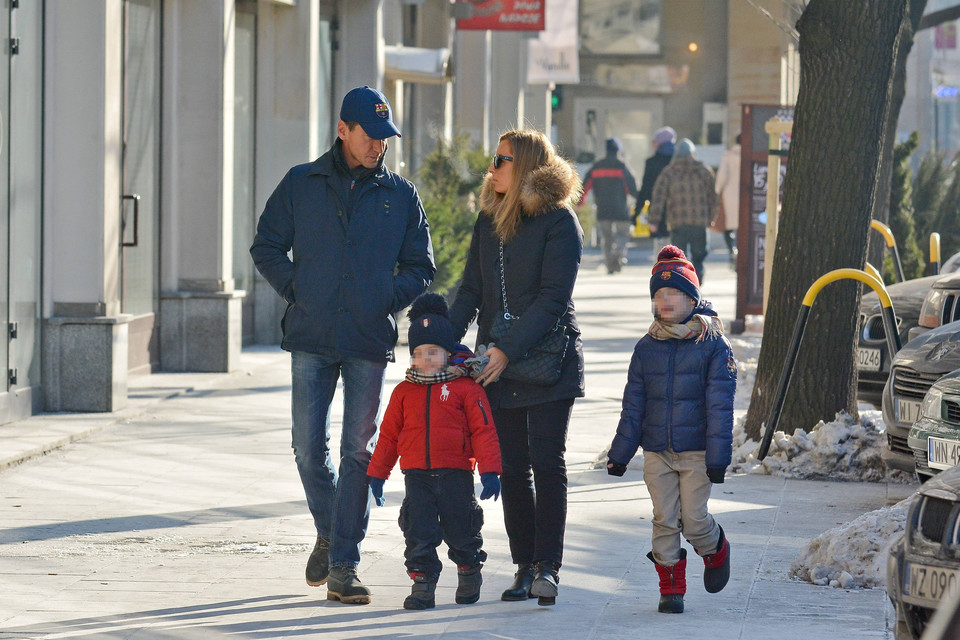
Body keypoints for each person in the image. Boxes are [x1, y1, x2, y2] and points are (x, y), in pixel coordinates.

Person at [250, 85, 435, 605]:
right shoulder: (301, 183)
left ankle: (344, 565)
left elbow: (421, 266)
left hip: (367, 339)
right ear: (342, 131)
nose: (380, 145)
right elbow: (265, 245)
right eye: (371, 136)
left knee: (359, 450)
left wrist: (384, 299)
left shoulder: (399, 195)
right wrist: (297, 290)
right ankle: (330, 532)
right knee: (308, 448)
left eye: (386, 137)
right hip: (310, 335)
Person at [448, 128, 584, 606]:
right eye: (493, 157)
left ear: (524, 165)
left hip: (549, 362)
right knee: (510, 467)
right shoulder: (488, 220)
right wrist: (442, 339)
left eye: (501, 159)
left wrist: (505, 349)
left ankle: (549, 565)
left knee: (546, 462)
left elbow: (552, 301)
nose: (492, 166)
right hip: (497, 364)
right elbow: (470, 289)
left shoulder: (559, 223)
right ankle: (524, 566)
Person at [605, 245, 736, 614]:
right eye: (659, 294)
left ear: (692, 298)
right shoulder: (646, 348)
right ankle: (671, 587)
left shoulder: (713, 346)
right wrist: (620, 455)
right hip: (657, 451)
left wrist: (718, 459)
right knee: (664, 518)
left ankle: (714, 547)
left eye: (675, 293)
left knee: (693, 521)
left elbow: (720, 407)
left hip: (696, 452)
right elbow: (633, 406)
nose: (666, 300)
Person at [367, 293, 502, 611]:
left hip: (456, 473)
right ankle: (422, 583)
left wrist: (490, 471)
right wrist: (376, 474)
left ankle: (469, 570)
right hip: (417, 476)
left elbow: (484, 431)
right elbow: (388, 437)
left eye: (433, 352)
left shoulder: (466, 389)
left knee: (462, 528)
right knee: (418, 531)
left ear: (448, 353)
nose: (426, 359)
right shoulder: (403, 392)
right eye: (418, 353)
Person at [648, 139, 718, 282]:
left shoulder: (669, 172)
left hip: (677, 221)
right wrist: (712, 218)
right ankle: (697, 281)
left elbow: (659, 197)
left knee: (679, 258)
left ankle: (683, 281)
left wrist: (654, 220)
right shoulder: (704, 170)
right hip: (700, 222)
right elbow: (713, 197)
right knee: (698, 257)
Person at [580, 137, 639, 274]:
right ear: (618, 151)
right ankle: (618, 254)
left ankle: (609, 264)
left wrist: (579, 203)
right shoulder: (622, 166)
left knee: (606, 238)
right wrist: (640, 200)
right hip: (620, 210)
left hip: (603, 210)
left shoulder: (596, 166)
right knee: (623, 234)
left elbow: (585, 187)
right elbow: (631, 189)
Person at [635, 126, 677, 224]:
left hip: (657, 213)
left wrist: (637, 212)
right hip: (678, 213)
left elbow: (645, 188)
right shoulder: (679, 161)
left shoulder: (651, 163)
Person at [715, 134, 741, 266]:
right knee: (743, 225)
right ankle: (741, 250)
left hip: (729, 194)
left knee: (728, 226)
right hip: (745, 194)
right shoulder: (750, 154)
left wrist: (718, 190)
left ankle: (732, 249)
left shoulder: (728, 156)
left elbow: (722, 176)